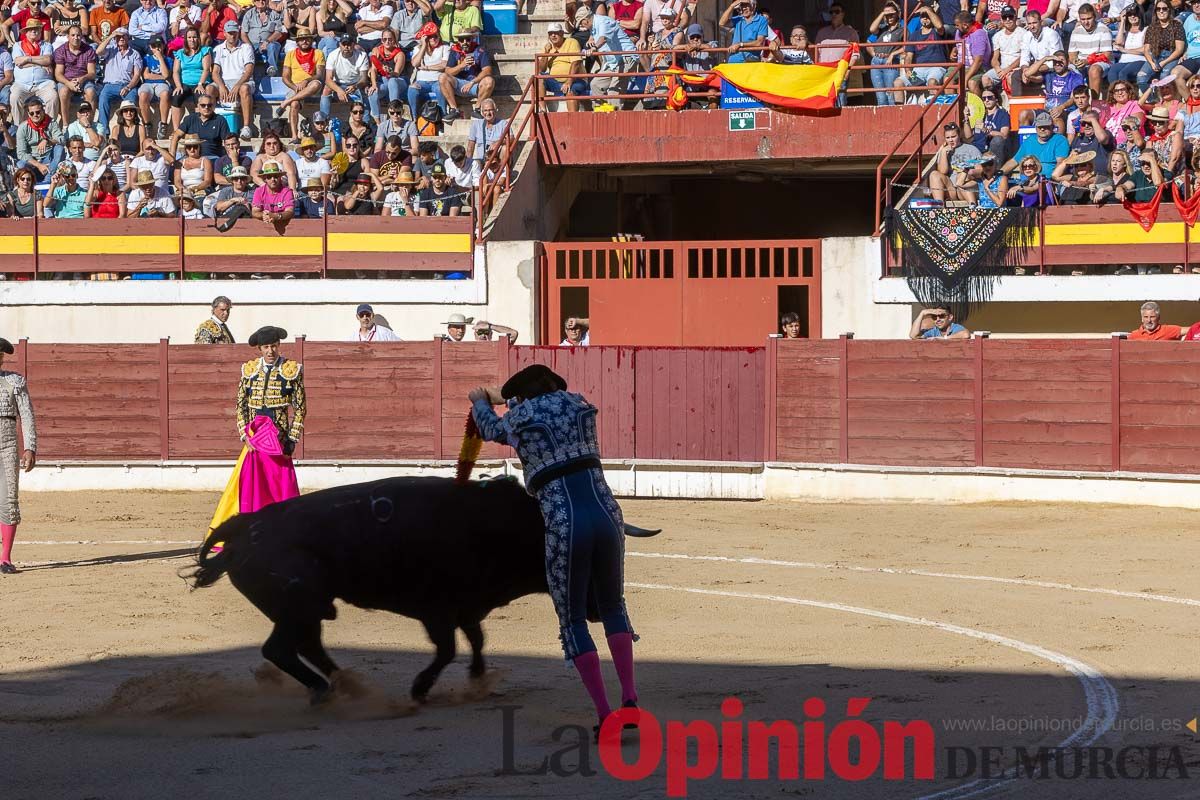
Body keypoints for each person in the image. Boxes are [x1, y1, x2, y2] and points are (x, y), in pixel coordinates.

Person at [468, 364, 639, 740]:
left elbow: (489, 428)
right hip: (609, 515)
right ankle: (630, 697)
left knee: (573, 620)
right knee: (613, 607)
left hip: (566, 521)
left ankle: (605, 713)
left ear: (522, 397)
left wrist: (481, 400)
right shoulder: (579, 405)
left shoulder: (521, 416)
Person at [237, 325, 306, 456]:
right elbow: (241, 406)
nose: (270, 351)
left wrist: (291, 439)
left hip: (280, 439)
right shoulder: (249, 370)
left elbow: (301, 409)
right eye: (266, 347)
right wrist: (245, 435)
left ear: (279, 345)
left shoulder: (290, 370)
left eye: (273, 346)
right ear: (259, 348)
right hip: (254, 438)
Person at [0, 336, 36, 575]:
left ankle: (5, 559)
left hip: (7, 446)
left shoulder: (15, 381)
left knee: (8, 500)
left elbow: (27, 415)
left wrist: (30, 447)